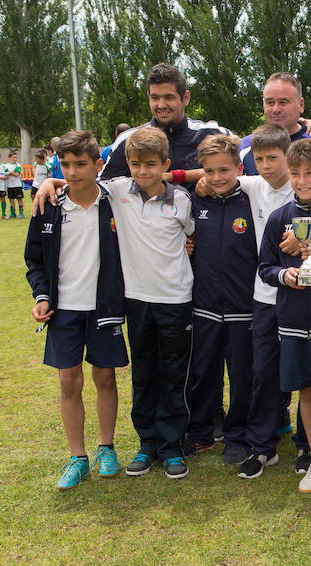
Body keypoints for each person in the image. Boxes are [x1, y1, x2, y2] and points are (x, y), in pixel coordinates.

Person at [38, 126, 197, 479]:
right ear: (127, 164)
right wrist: (49, 182)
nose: (143, 171)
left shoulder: (181, 200)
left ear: (165, 165)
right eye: (136, 164)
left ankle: (172, 447)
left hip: (175, 300)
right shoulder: (117, 191)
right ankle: (147, 444)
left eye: (151, 165)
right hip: (136, 300)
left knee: (173, 375)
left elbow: (190, 235)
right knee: (142, 375)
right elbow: (79, 181)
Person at [232, 124, 311, 477]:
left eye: (309, 174)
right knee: (301, 389)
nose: (301, 180)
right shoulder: (277, 215)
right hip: (291, 316)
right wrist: (286, 276)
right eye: (296, 174)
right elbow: (266, 267)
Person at [24, 130, 127, 489]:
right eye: (64, 165)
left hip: (104, 309)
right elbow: (34, 260)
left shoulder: (116, 202)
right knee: (69, 381)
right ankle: (77, 457)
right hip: (63, 311)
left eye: (80, 164)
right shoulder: (48, 205)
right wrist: (41, 296)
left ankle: (107, 447)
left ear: (98, 165)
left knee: (104, 377)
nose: (72, 171)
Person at [184, 134, 256, 457]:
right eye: (209, 171)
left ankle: (238, 434)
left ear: (239, 168)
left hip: (243, 308)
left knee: (243, 375)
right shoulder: (193, 201)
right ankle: (200, 430)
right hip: (205, 306)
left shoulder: (252, 202)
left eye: (224, 170)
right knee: (203, 372)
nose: (217, 178)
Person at [100, 63, 232, 190]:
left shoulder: (216, 134)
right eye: (155, 98)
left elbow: (241, 178)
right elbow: (104, 189)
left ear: (186, 98)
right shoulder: (128, 140)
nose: (161, 105)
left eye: (169, 97)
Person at [239, 72, 311, 196]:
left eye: (283, 102)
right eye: (270, 102)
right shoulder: (244, 146)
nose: (276, 109)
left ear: (301, 105)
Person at [5, 151, 23, 219]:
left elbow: (17, 174)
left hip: (17, 185)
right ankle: (13, 213)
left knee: (19, 199)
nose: (15, 159)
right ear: (9, 158)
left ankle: (21, 213)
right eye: (13, 157)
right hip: (9, 186)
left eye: (16, 157)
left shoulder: (18, 165)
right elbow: (5, 174)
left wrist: (10, 173)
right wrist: (12, 172)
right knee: (11, 200)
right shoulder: (6, 165)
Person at [0, 152, 7, 219]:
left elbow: (7, 176)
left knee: (3, 200)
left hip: (1, 186)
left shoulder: (3, 166)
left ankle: (3, 214)